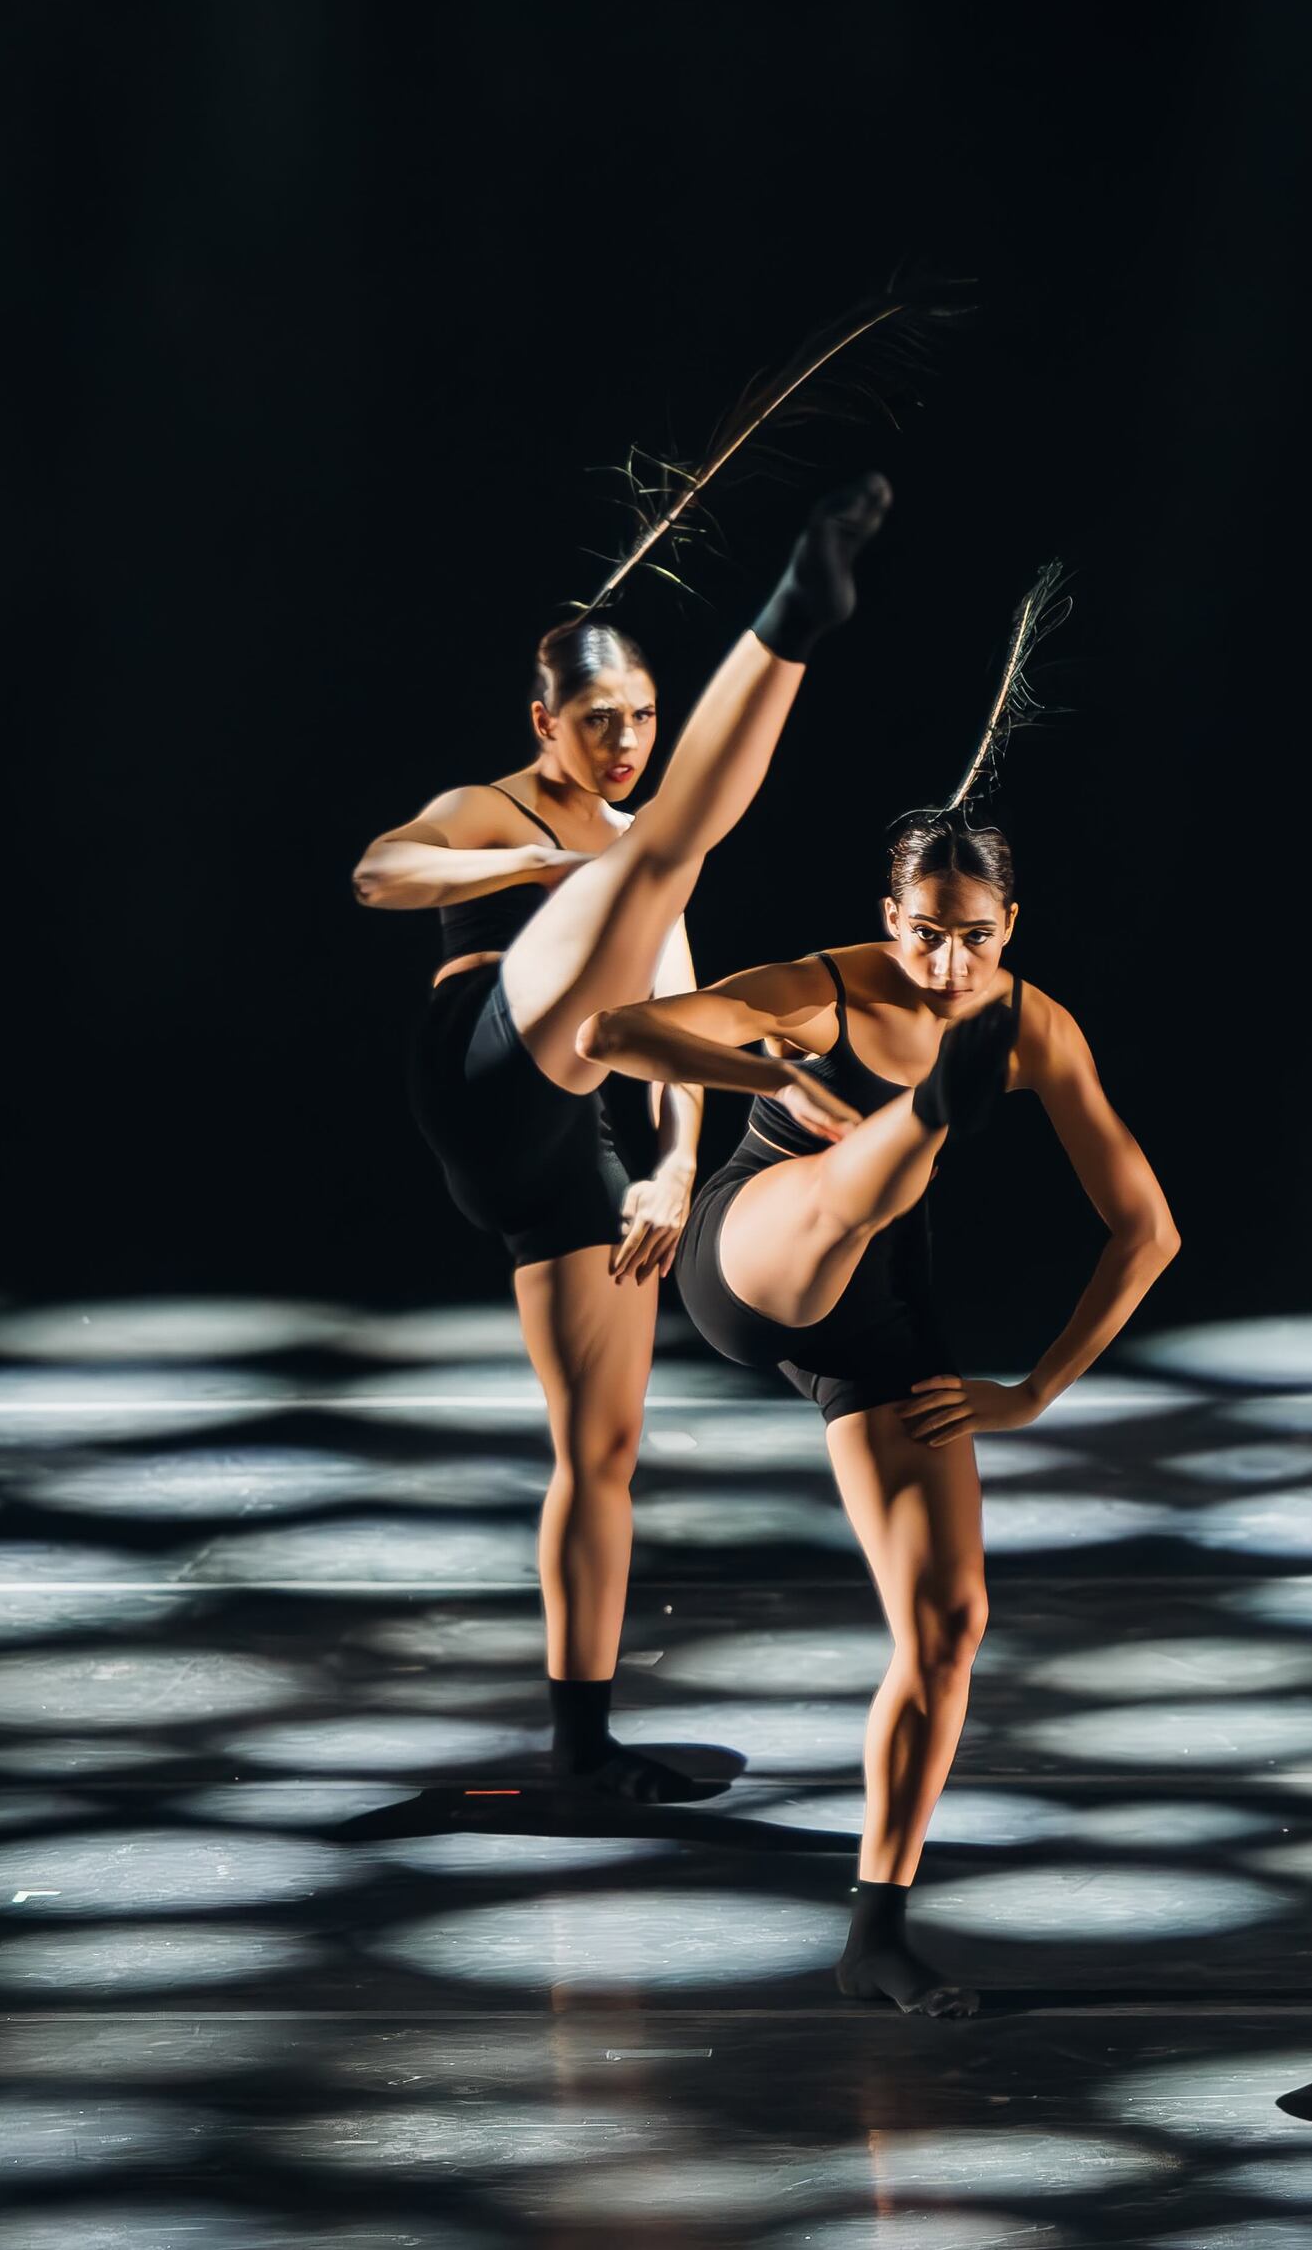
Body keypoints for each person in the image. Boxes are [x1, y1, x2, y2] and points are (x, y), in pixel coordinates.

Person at [596, 786, 1177, 2018]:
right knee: (855, 1185)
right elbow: (612, 1033)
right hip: (758, 1249)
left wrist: (1035, 1389)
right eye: (924, 930)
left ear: (1009, 922)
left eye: (973, 934)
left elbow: (1148, 1230)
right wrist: (771, 1073)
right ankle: (914, 1115)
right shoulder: (827, 986)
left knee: (948, 1626)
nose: (946, 958)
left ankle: (878, 1934)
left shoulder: (1040, 1026)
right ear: (887, 916)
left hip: (877, 1315)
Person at [354, 480, 893, 1800]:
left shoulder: (632, 840)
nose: (625, 744)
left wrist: (670, 1169)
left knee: (599, 1450)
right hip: (479, 1061)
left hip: (567, 1135)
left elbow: (669, 1016)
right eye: (601, 723)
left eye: (646, 720)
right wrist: (537, 865)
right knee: (649, 863)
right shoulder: (494, 806)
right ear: (544, 723)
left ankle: (583, 1747)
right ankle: (791, 620)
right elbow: (378, 873)